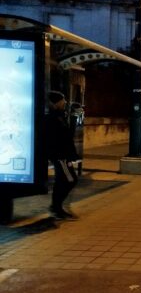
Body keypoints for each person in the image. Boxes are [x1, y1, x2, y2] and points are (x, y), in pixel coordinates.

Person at [46, 91, 80, 220]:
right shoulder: (53, 118)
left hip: (64, 155)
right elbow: (58, 138)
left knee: (63, 181)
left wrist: (73, 118)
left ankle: (56, 208)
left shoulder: (60, 116)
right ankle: (56, 207)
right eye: (62, 100)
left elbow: (68, 136)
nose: (65, 102)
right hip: (61, 156)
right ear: (56, 102)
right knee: (70, 180)